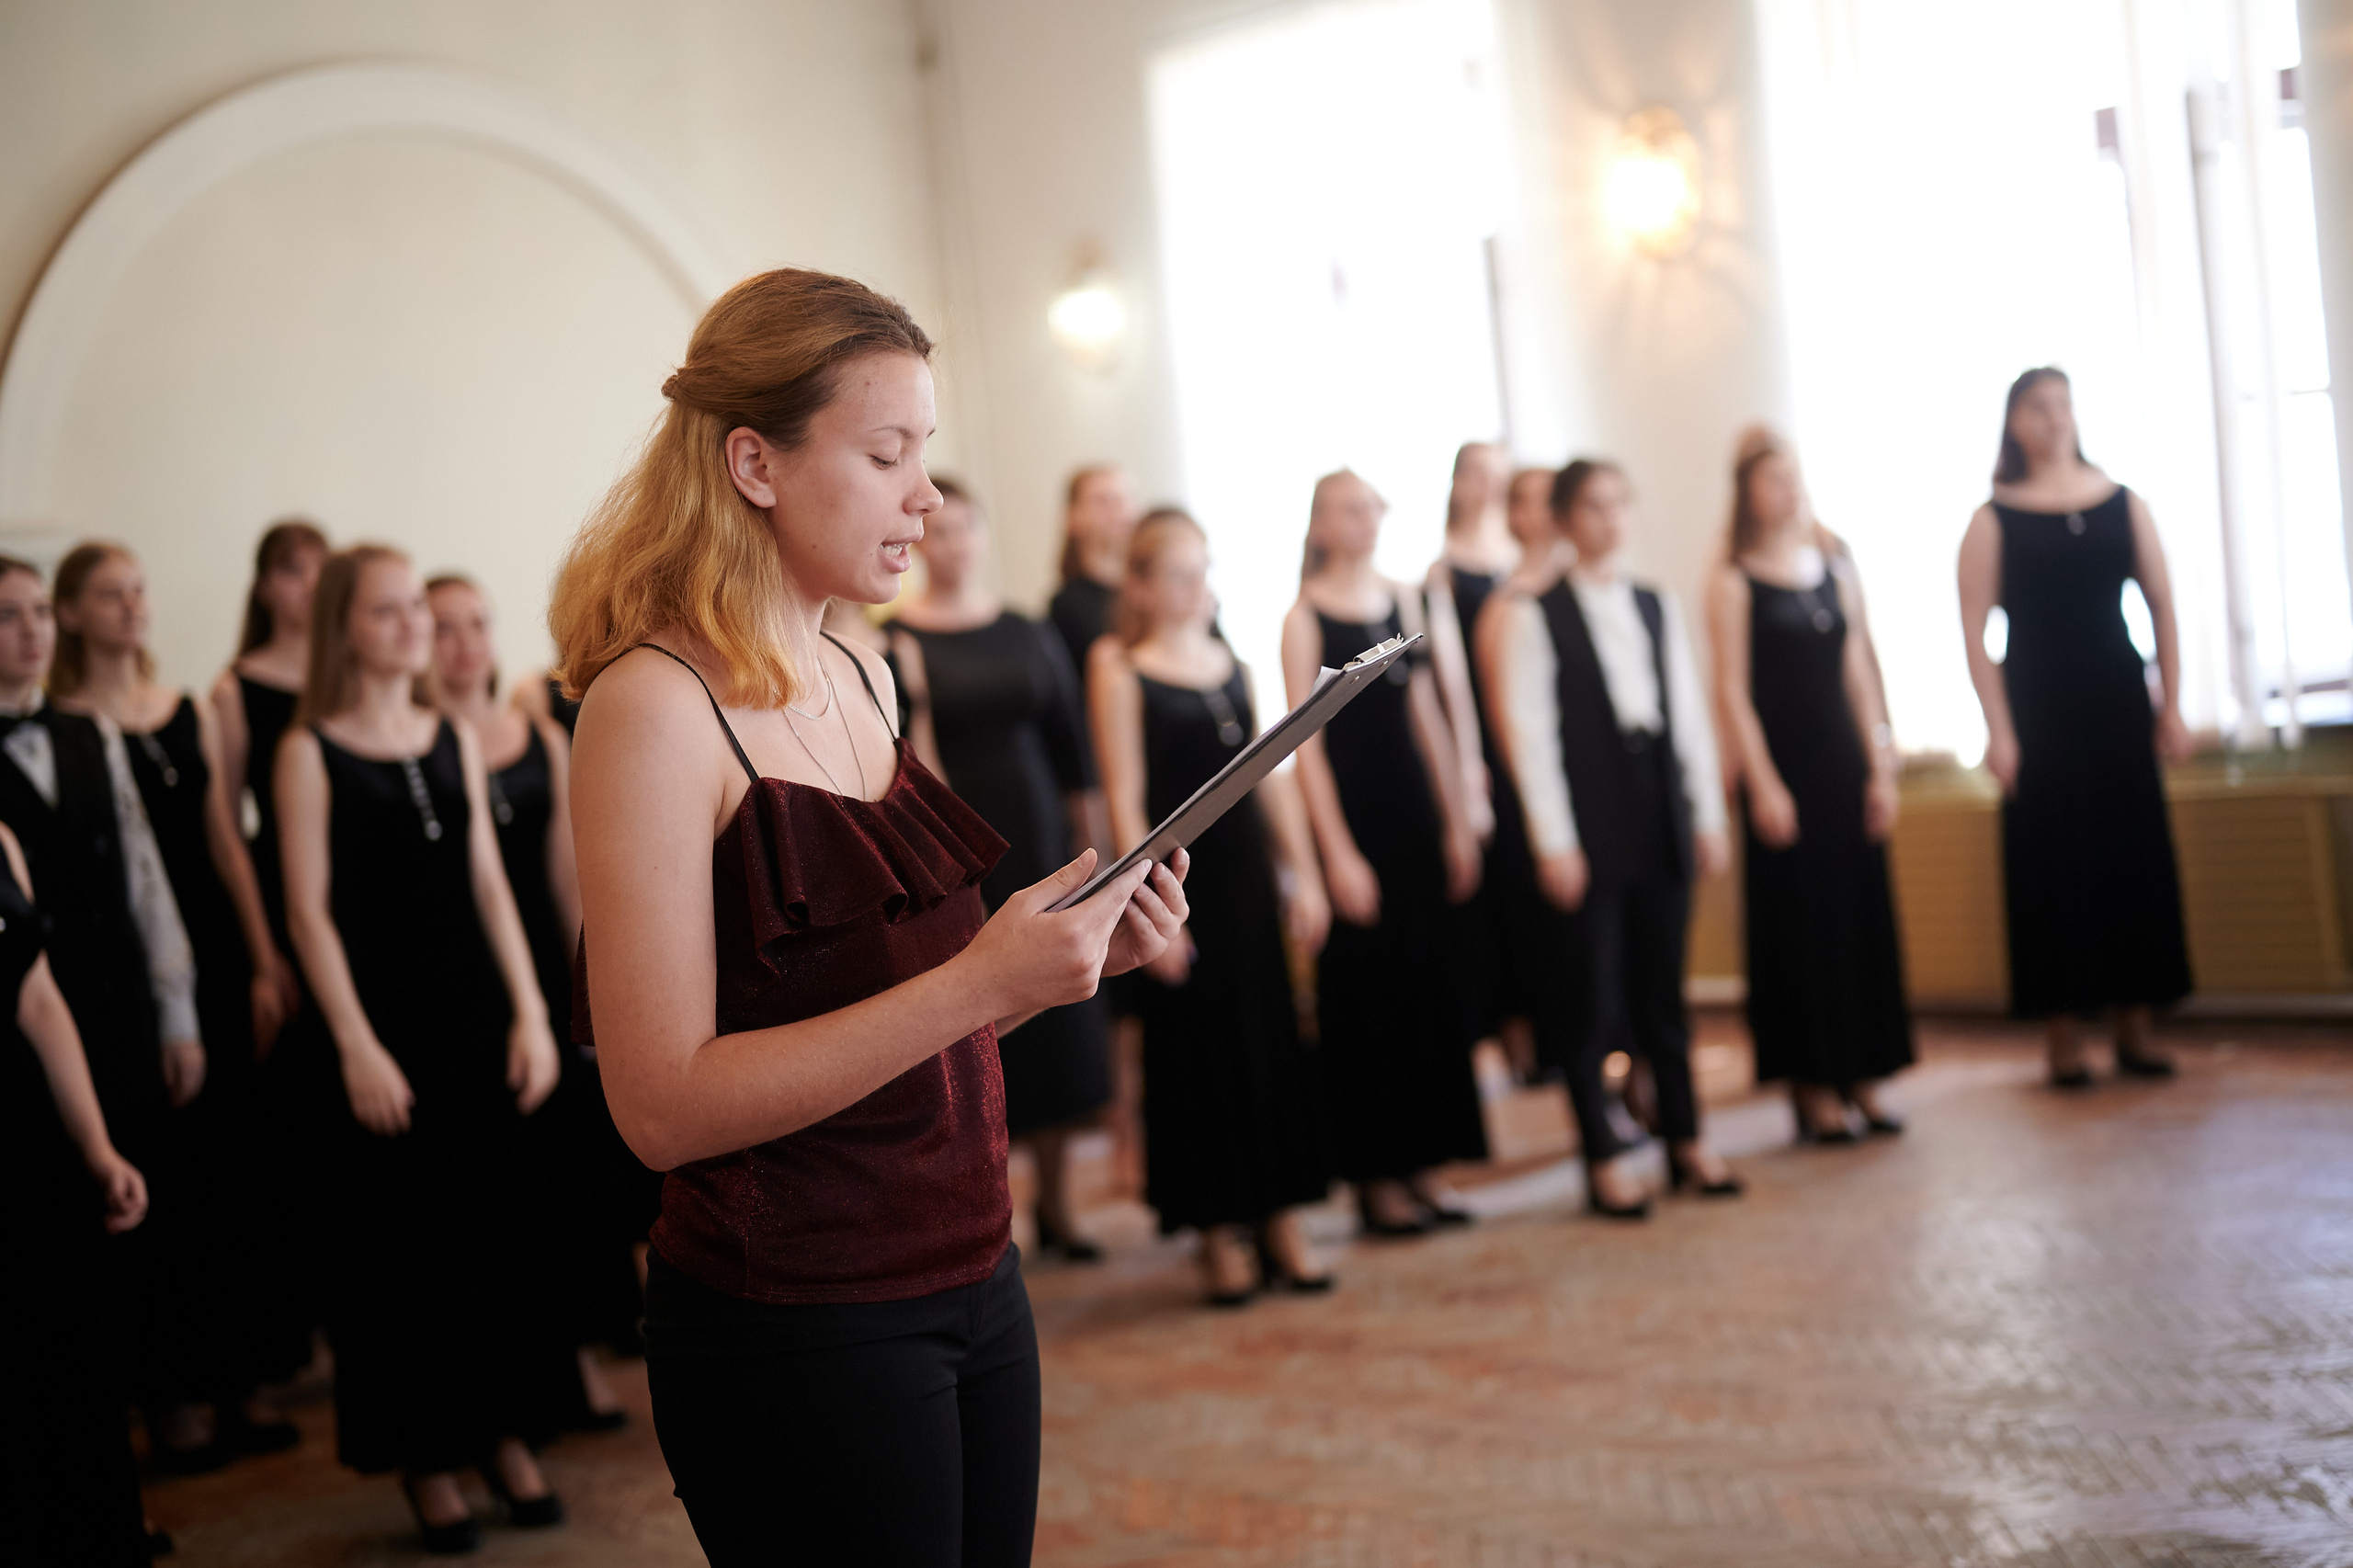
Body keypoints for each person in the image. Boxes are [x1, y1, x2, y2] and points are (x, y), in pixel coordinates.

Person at [551, 267, 1187, 1566]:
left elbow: (896, 1021)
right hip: (798, 1313)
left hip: (971, 1267)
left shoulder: (860, 664)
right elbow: (661, 1105)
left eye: (926, 456)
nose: (927, 498)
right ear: (755, 462)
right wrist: (975, 982)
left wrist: (1052, 963)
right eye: (888, 453)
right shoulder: (653, 709)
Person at [278, 545, 574, 1552]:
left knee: (497, 1235)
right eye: (391, 610)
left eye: (419, 607)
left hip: (474, 1023)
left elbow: (495, 887)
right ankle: (430, 1455)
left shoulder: (450, 732)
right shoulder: (308, 749)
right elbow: (308, 915)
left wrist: (533, 1013)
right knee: (407, 1252)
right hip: (384, 1032)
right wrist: (356, 1043)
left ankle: (506, 1434)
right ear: (344, 627)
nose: (415, 625)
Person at [50, 541, 305, 1468]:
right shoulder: (60, 723)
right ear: (70, 613)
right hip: (123, 962)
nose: (131, 606)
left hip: (211, 942)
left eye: (137, 590)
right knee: (167, 1167)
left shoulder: (186, 707)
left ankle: (234, 1378)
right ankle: (170, 1394)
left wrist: (262, 954)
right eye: (108, 594)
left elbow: (224, 840)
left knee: (231, 1165)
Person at [426, 573, 655, 1428]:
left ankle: (581, 1360)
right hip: (462, 970)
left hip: (538, 962)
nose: (463, 643)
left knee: (568, 1176)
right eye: (443, 628)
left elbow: (567, 878)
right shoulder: (420, 740)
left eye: (477, 625)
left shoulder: (532, 735)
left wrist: (591, 987)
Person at [1483, 460, 1740, 1218]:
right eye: (1593, 508)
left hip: (1655, 800)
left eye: (1620, 506)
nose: (1610, 521)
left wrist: (1705, 816)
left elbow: (1688, 716)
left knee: (1665, 989)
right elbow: (1531, 739)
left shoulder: (1655, 604)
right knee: (1589, 994)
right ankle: (1602, 1155)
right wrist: (1554, 841)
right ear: (1563, 519)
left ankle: (1686, 1140)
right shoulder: (1535, 613)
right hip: (1588, 814)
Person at [1090, 509, 1336, 1304]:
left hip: (1246, 885)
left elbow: (1268, 778)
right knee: (1199, 1051)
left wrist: (1305, 873)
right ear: (1143, 585)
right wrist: (1149, 902)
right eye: (1182, 574)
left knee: (1265, 1039)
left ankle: (1278, 1216)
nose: (1201, 588)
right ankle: (1218, 1227)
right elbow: (1125, 797)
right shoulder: (1121, 666)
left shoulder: (1230, 661)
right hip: (1177, 886)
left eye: (1206, 571)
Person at [885, 479, 1114, 1261]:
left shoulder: (1026, 628)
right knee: (988, 1020)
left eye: (965, 530)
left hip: (1042, 832)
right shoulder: (896, 639)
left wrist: (1098, 853)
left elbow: (1071, 744)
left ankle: (1062, 1204)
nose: (952, 546)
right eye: (937, 532)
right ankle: (996, 1205)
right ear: (919, 540)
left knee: (1060, 1019)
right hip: (959, 843)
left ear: (983, 535)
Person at [1958, 367, 2193, 1085]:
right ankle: (2063, 1030)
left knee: (2130, 854)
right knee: (2053, 862)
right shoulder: (1992, 518)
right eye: (2037, 406)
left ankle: (2135, 1023)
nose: (2053, 417)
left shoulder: (2125, 504)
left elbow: (2161, 603)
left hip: (2117, 698)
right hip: (2038, 707)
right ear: (2014, 422)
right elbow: (1974, 632)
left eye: (2062, 404)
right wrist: (1998, 730)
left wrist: (2171, 703)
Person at [1283, 470, 1486, 1237]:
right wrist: (1336, 855)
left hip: (1412, 820)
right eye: (1346, 509)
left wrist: (1457, 817)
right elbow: (1309, 750)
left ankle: (1429, 1163)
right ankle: (1377, 1178)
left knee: (1428, 993)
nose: (1362, 521)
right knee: (1369, 1004)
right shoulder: (1304, 617)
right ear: (1320, 524)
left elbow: (1428, 713)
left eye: (1369, 508)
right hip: (1356, 824)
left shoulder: (1404, 601)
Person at [1704, 433, 1915, 1142]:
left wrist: (1880, 765)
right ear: (1747, 493)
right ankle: (1813, 1087)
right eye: (1770, 480)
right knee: (1800, 929)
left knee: (1857, 921)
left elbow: (1859, 669)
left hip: (1843, 766)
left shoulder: (1833, 563)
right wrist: (1763, 784)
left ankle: (1866, 1075)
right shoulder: (1734, 579)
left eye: (1792, 477)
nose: (1786, 491)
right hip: (1783, 775)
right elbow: (1731, 692)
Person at [0, 816, 155, 1564]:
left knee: (66, 1366)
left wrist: (96, 1147)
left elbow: (36, 997)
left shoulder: (0, 839)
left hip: (30, 1142)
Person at [1045, 464, 1141, 676]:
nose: (1118, 511)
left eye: (1123, 500)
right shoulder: (1066, 608)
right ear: (1074, 517)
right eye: (1103, 501)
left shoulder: (1152, 594)